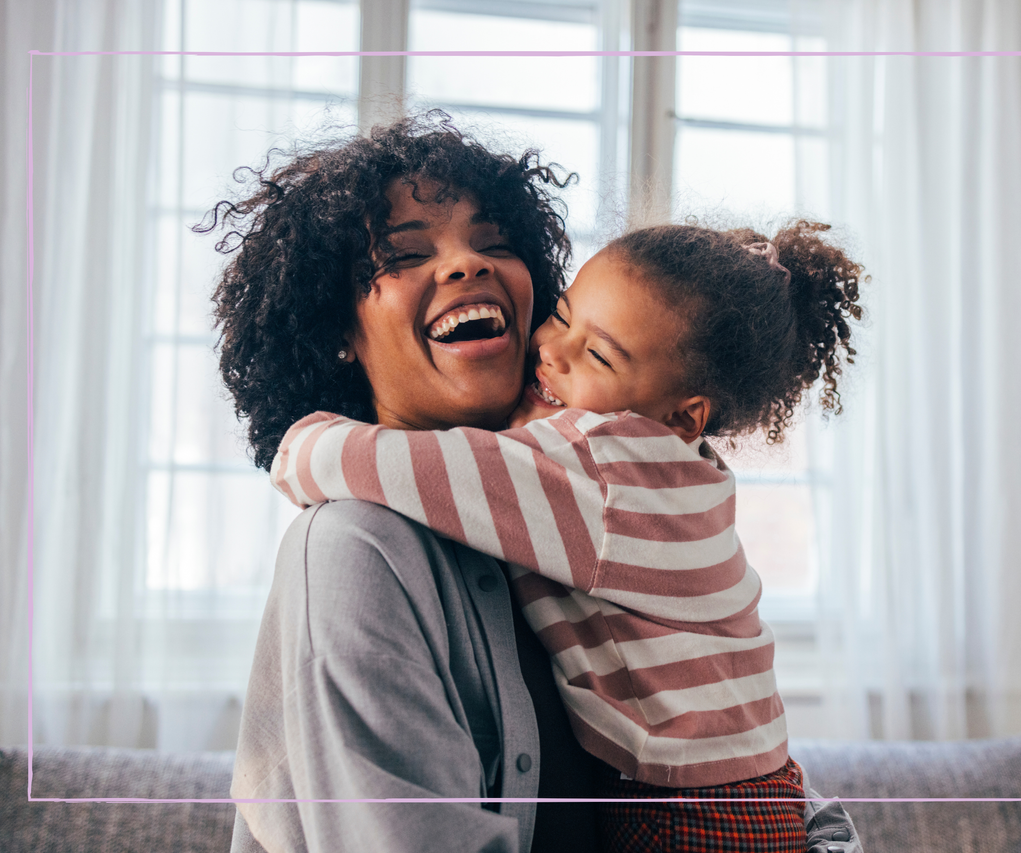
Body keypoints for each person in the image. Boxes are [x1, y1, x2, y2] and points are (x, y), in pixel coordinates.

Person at [204, 112, 860, 853]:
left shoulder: (596, 485)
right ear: (334, 332)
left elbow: (791, 798)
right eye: (404, 253)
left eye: (494, 243)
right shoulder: (356, 548)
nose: (466, 265)